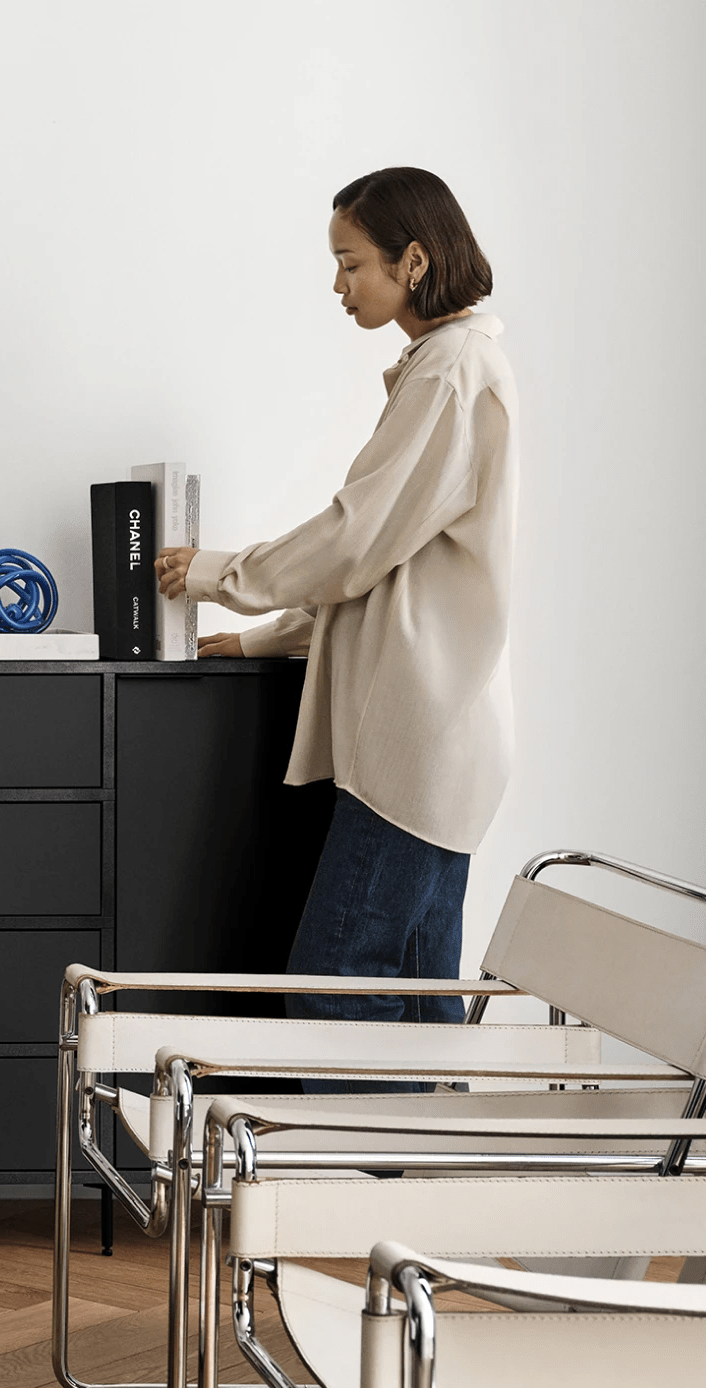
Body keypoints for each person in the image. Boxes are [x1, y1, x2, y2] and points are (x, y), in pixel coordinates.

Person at [153, 166, 514, 1038]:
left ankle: (346, 1177)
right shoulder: (449, 366)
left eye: (352, 264)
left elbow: (354, 540)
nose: (338, 285)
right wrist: (269, 637)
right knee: (419, 999)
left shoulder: (447, 376)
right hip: (445, 744)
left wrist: (215, 573)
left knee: (337, 985)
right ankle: (423, 1173)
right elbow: (398, 561)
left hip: (415, 746)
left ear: (415, 259)